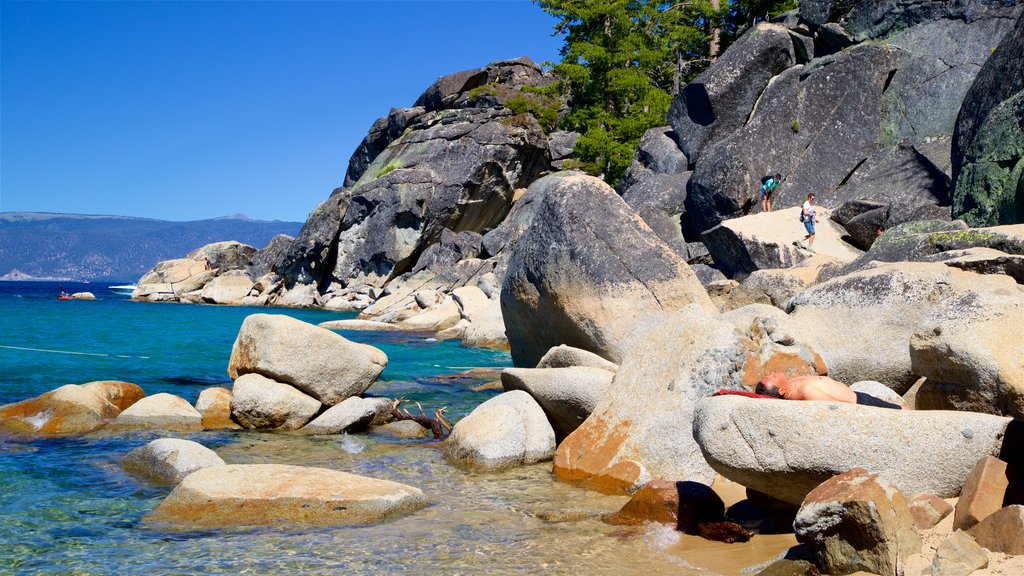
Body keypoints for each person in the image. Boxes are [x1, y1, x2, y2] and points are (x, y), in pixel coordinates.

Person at [754, 372, 904, 409]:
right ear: (781, 391)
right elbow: (840, 407)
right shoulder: (804, 391)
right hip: (861, 404)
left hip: (858, 396)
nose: (770, 373)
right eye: (771, 378)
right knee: (902, 413)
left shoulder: (791, 384)